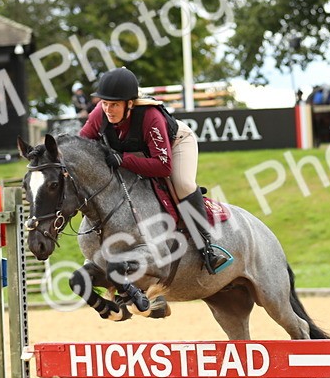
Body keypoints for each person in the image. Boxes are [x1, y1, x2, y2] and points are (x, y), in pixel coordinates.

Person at [79, 67, 230, 274]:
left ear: (130, 104)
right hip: (139, 152)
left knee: (183, 184)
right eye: (105, 103)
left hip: (174, 145)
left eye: (115, 104)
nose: (108, 109)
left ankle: (207, 248)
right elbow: (82, 145)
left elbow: (163, 166)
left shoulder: (150, 116)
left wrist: (123, 159)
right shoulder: (100, 113)